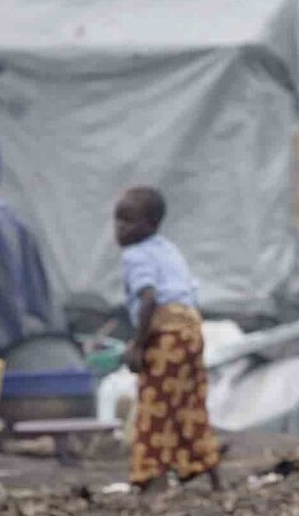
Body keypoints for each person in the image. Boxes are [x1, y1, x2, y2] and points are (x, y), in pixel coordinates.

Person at [114, 187, 223, 492]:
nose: (120, 229)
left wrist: (138, 344)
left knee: (155, 406)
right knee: (190, 404)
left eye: (129, 221)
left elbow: (148, 298)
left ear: (151, 224)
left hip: (166, 335)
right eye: (118, 221)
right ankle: (208, 471)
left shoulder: (135, 255)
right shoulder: (168, 248)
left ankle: (152, 479)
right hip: (191, 330)